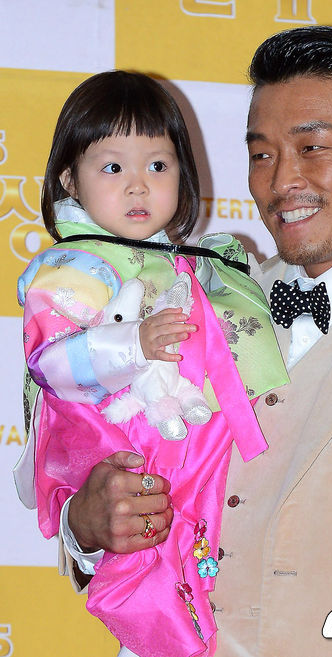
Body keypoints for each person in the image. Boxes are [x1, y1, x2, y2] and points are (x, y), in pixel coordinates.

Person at [25, 27, 332, 657]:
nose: (281, 181)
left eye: (313, 148)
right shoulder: (208, 291)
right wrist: (84, 526)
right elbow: (88, 470)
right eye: (261, 154)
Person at [15, 70, 288, 657]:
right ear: (69, 179)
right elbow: (50, 365)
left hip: (207, 455)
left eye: (158, 166)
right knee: (155, 572)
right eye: (114, 167)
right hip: (132, 449)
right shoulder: (74, 267)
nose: (139, 186)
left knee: (209, 562)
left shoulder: (207, 266)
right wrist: (133, 343)